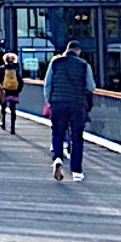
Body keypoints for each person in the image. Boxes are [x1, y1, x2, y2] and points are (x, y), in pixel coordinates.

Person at [44, 40, 96, 182]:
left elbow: (47, 84)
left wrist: (50, 100)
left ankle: (57, 158)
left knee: (58, 132)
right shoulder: (84, 65)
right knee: (77, 136)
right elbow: (90, 86)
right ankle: (76, 171)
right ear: (78, 51)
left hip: (58, 103)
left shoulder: (55, 63)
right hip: (77, 104)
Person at [0, 52, 24, 134]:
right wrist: (17, 90)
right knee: (13, 109)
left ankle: (3, 123)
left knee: (3, 107)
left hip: (4, 90)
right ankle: (12, 127)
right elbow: (21, 82)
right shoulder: (15, 69)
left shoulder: (1, 69)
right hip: (14, 92)